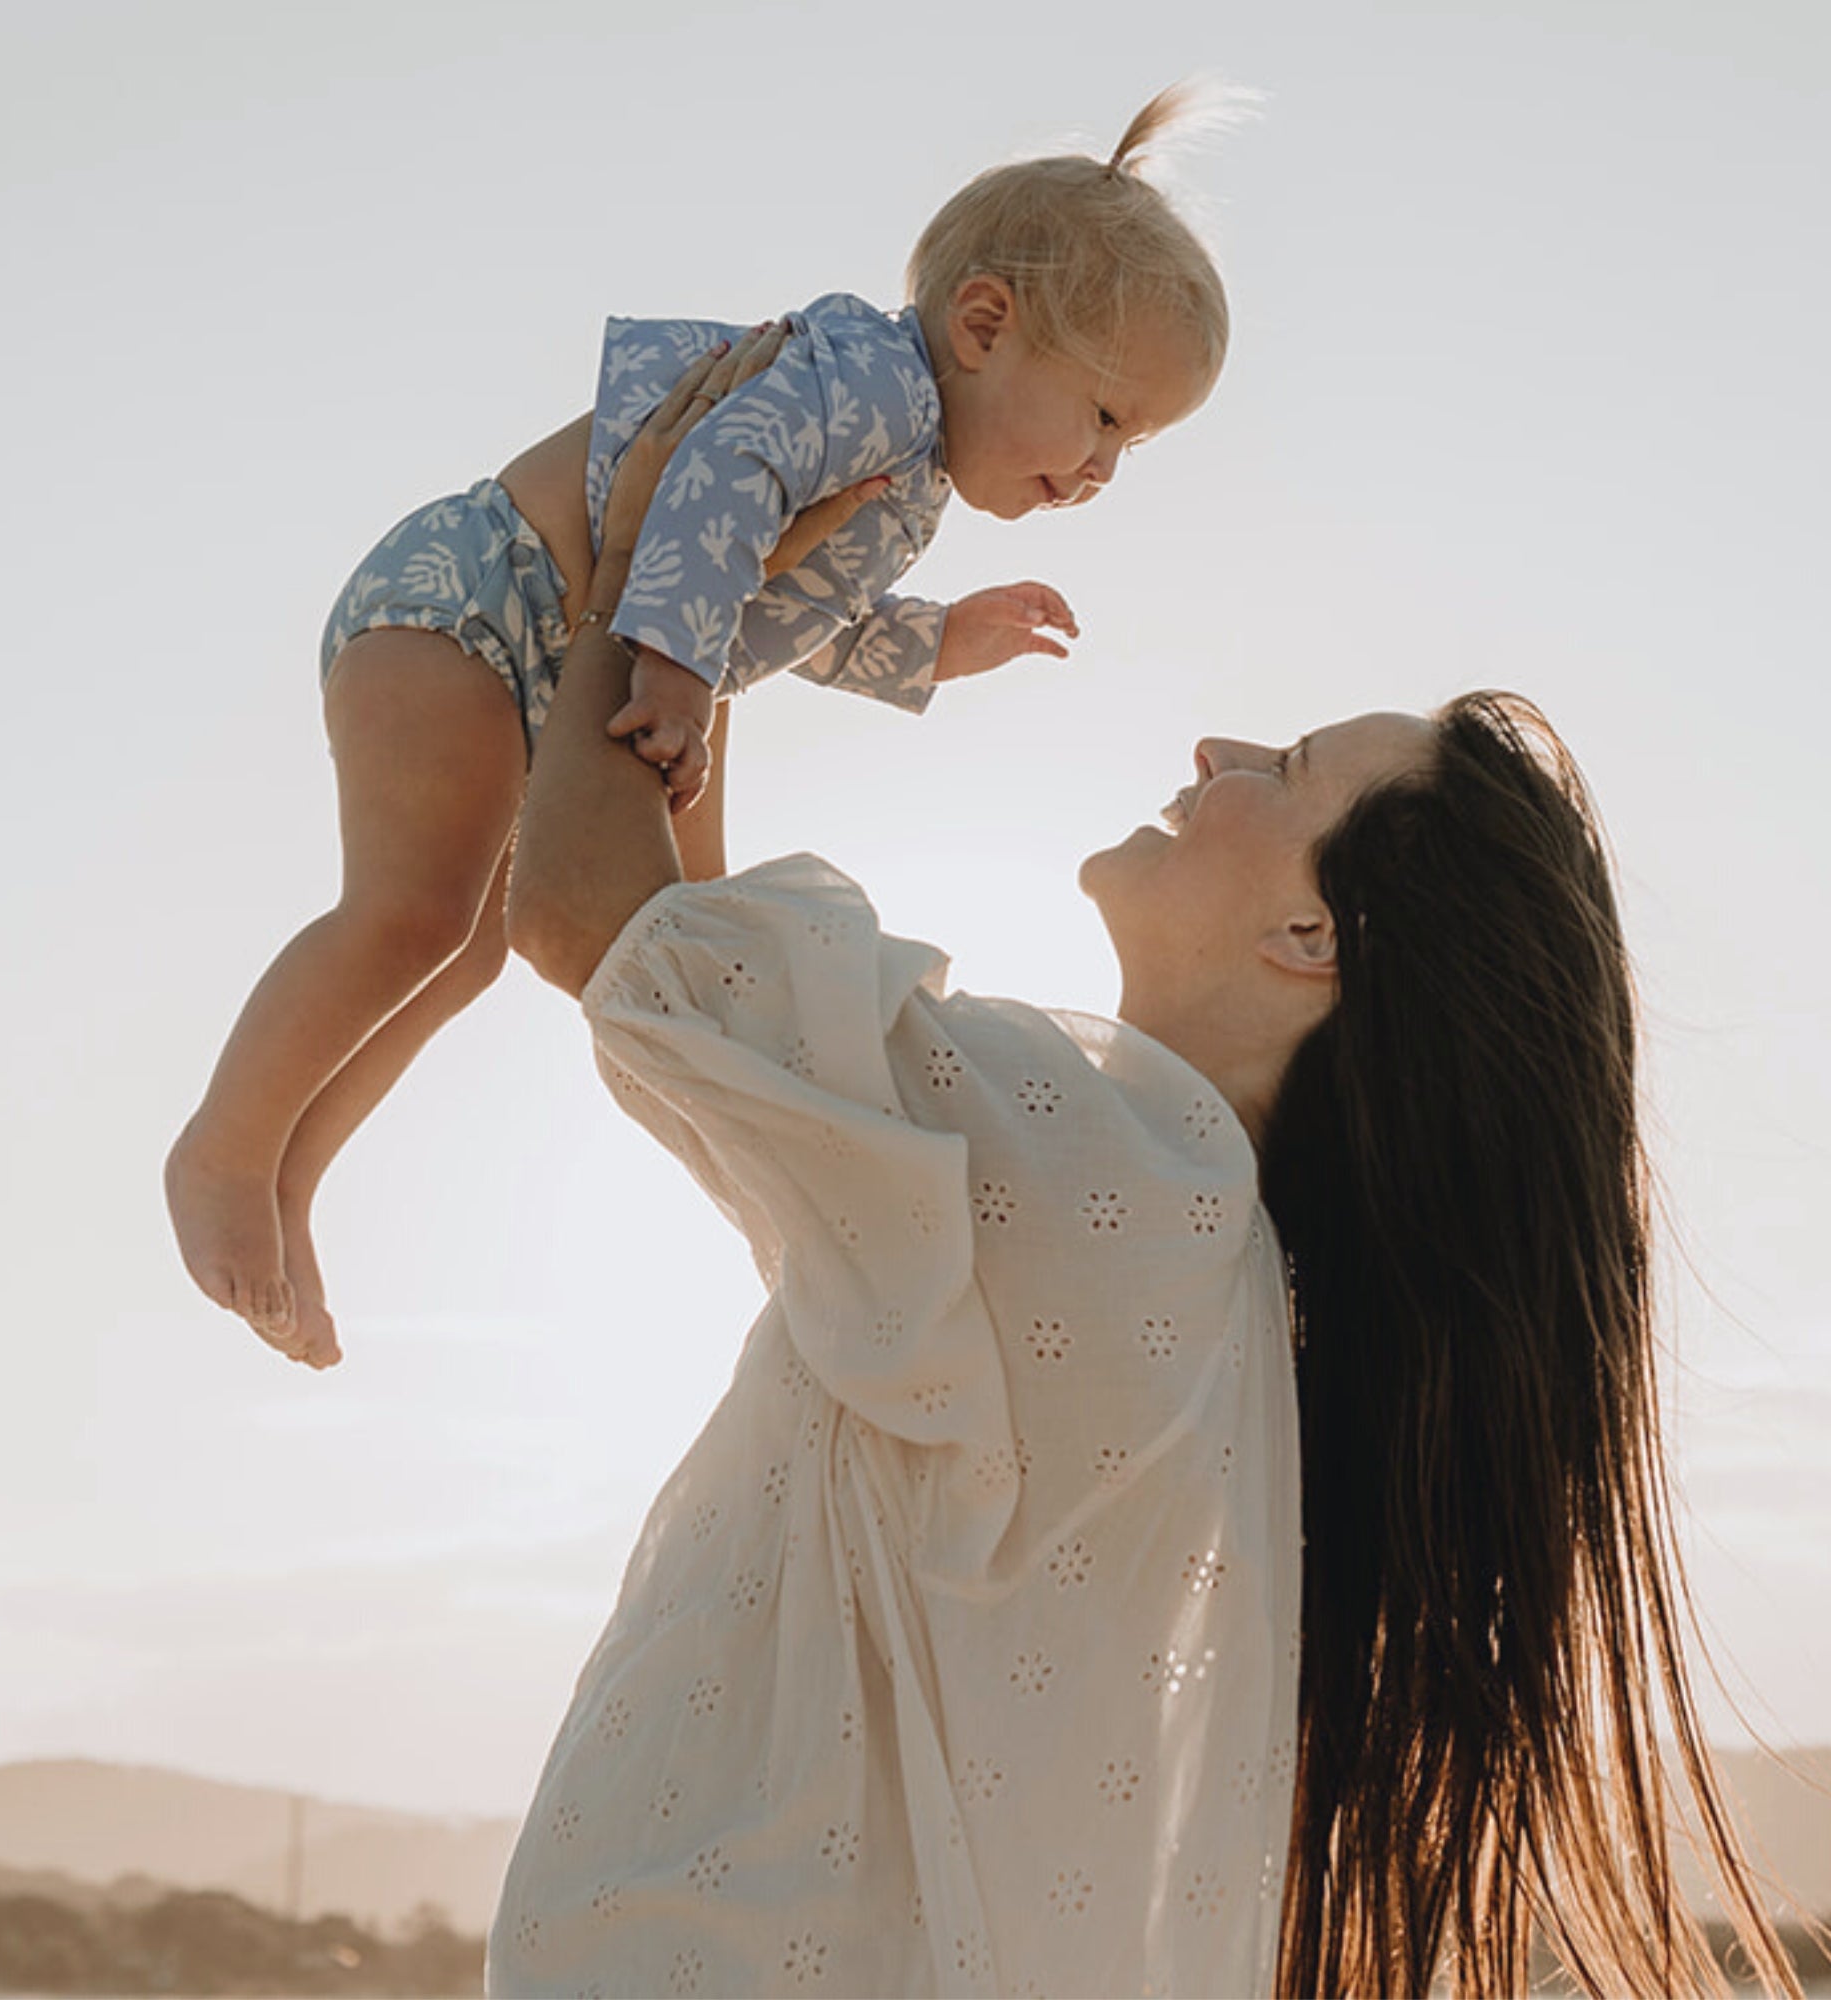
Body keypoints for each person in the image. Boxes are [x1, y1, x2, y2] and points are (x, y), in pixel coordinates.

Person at [487, 361, 1802, 1996]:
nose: (1218, 741)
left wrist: (659, 529)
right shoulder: (1171, 1249)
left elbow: (590, 923)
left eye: (1291, 761)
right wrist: (713, 600)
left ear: (1310, 938)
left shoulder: (1105, 1167)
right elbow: (694, 973)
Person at [165, 86, 1231, 1368]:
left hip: (539, 646)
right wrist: (673, 670)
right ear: (985, 324)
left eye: (1138, 447)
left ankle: (291, 1167)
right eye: (1106, 415)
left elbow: (787, 600)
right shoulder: (871, 382)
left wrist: (940, 639)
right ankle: (223, 1146)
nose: (1104, 469)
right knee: (407, 912)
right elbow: (717, 475)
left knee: (457, 948)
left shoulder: (909, 477)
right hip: (473, 600)